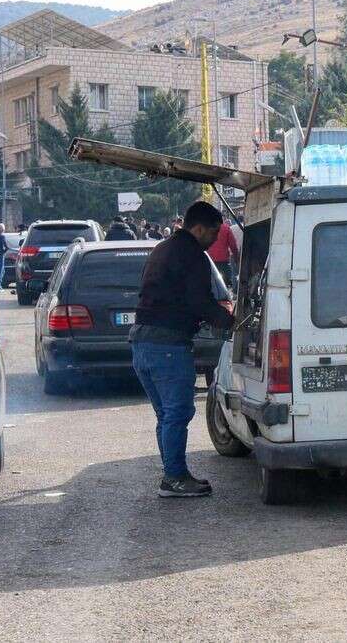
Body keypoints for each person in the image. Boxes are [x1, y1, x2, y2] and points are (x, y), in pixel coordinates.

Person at [130, 201, 235, 498]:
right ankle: (174, 478)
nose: (216, 238)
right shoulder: (192, 255)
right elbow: (199, 301)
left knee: (166, 415)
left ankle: (172, 475)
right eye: (214, 232)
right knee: (177, 413)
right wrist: (231, 321)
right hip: (167, 345)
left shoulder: (162, 248)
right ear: (198, 228)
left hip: (142, 343)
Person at [205, 220, 239, 289]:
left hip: (209, 261)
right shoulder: (226, 228)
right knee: (224, 284)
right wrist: (236, 257)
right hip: (223, 262)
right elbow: (233, 245)